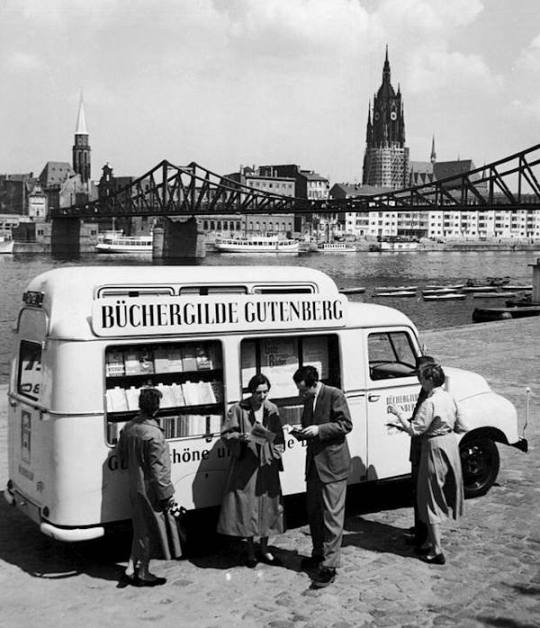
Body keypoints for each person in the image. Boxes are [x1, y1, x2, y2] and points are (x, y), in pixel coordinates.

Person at [388, 363, 468, 565]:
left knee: (429, 496)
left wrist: (398, 415)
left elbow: (416, 430)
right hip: (450, 445)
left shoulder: (429, 402)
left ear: (430, 380)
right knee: (438, 492)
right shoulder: (449, 397)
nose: (420, 383)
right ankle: (430, 542)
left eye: (422, 379)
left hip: (433, 447)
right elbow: (462, 425)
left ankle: (437, 550)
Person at [292, 365, 352, 589]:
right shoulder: (309, 400)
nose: (301, 395)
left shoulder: (334, 395)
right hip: (315, 467)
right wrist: (301, 432)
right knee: (315, 513)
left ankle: (330, 565)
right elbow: (310, 427)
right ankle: (318, 554)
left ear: (313, 384)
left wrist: (319, 430)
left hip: (333, 467)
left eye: (303, 390)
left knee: (332, 518)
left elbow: (345, 424)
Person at [217, 373, 285, 568]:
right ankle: (250, 552)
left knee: (268, 507)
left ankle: (264, 548)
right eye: (258, 392)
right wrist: (240, 437)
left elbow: (278, 437)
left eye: (265, 392)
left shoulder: (272, 409)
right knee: (248, 507)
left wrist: (274, 447)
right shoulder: (238, 409)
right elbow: (226, 434)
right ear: (251, 392)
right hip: (246, 466)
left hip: (266, 465)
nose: (262, 396)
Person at [117, 387, 182, 586]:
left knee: (139, 527)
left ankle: (130, 567)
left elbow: (121, 456)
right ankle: (143, 572)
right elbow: (159, 470)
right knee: (149, 531)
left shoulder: (129, 427)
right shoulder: (155, 435)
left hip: (134, 485)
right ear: (156, 408)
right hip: (150, 489)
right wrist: (166, 494)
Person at [406, 355, 437, 549]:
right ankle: (420, 529)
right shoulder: (425, 391)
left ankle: (423, 535)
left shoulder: (431, 395)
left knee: (422, 493)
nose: (419, 377)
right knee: (417, 492)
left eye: (421, 374)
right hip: (418, 447)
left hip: (423, 448)